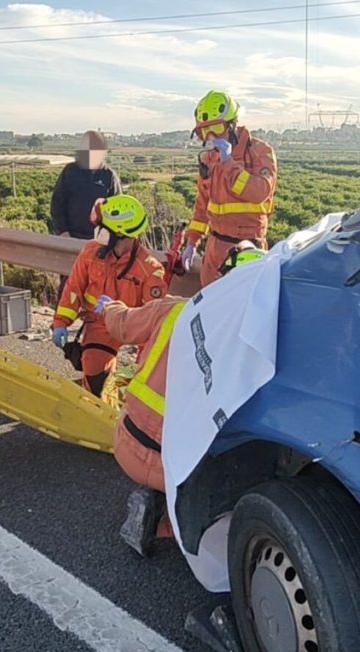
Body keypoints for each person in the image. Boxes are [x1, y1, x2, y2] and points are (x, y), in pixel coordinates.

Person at [102, 244, 265, 555]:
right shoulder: (253, 349)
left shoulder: (174, 309)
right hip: (178, 470)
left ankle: (155, 502)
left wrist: (110, 308)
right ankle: (168, 524)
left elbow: (121, 324)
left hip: (127, 442)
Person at [50, 194, 166, 396]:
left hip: (133, 326)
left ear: (122, 235)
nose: (98, 234)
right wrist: (61, 323)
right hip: (100, 325)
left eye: (103, 229)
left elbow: (152, 323)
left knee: (144, 386)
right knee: (96, 379)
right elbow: (73, 289)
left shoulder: (150, 270)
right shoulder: (91, 253)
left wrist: (145, 364)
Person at [180, 91, 277, 287]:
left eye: (216, 128)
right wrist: (192, 242)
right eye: (203, 132)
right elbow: (202, 207)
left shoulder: (259, 152)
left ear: (232, 124)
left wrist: (228, 163)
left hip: (247, 248)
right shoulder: (209, 159)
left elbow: (259, 192)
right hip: (214, 249)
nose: (211, 137)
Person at [50, 130, 122, 298]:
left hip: (99, 243)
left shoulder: (109, 176)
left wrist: (108, 239)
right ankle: (60, 323)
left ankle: (89, 324)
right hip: (71, 239)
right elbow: (57, 204)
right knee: (68, 286)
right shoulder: (70, 172)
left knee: (96, 288)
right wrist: (63, 232)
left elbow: (117, 210)